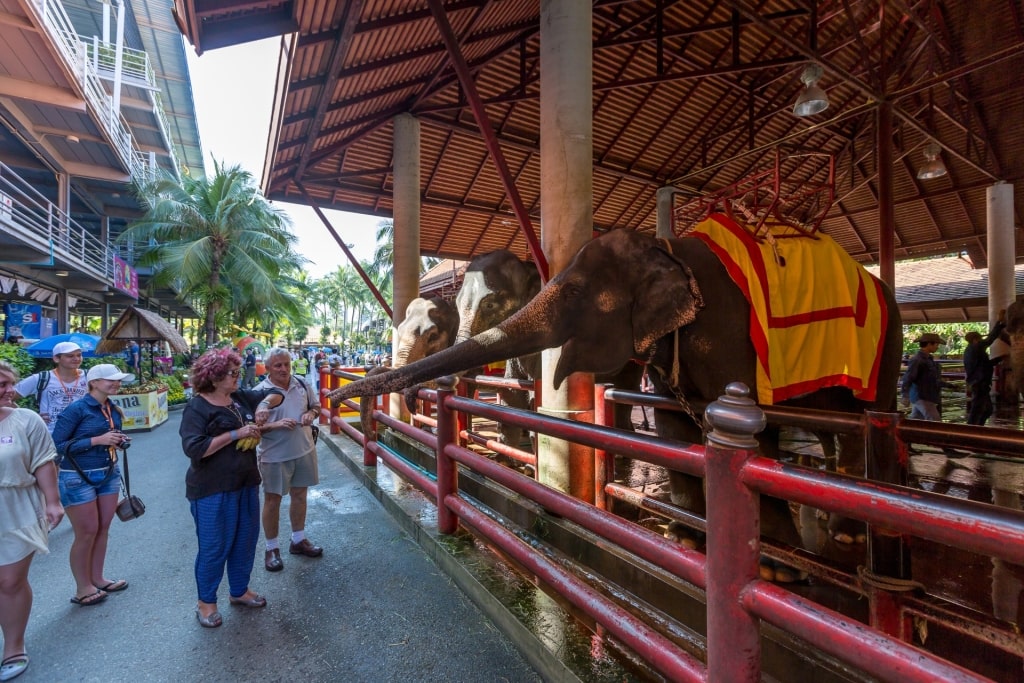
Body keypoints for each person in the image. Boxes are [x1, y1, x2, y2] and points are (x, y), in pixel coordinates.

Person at [179, 348, 283, 628]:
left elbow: (276, 393)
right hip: (212, 488)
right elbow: (195, 448)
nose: (238, 377)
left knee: (245, 541)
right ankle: (206, 602)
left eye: (238, 372)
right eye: (232, 373)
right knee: (214, 546)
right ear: (213, 378)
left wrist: (263, 406)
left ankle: (239, 590)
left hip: (246, 482)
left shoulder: (238, 398)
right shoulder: (197, 408)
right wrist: (235, 434)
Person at [51, 364, 135, 607]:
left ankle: (97, 578)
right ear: (94, 382)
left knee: (103, 528)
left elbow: (112, 434)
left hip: (108, 473)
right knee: (86, 532)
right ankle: (82, 588)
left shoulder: (112, 407)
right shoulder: (76, 410)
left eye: (118, 380)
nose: (116, 384)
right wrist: (97, 440)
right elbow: (57, 446)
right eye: (111, 380)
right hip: (78, 477)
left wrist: (118, 440)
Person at [0, 361, 62, 683]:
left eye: (11, 383)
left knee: (9, 581)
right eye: (2, 385)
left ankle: (13, 646)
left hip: (16, 506)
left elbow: (43, 461)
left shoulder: (26, 420)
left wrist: (53, 501)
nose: (11, 391)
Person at [254, 348, 323, 572]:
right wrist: (276, 424)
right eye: (278, 365)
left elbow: (317, 407)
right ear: (267, 368)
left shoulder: (301, 384)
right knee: (272, 500)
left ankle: (298, 539)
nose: (283, 369)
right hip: (274, 455)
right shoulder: (259, 393)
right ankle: (271, 548)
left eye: (286, 364)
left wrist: (310, 415)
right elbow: (252, 429)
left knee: (300, 495)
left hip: (304, 449)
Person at [14, 342, 88, 433]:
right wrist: (29, 418)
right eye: (70, 356)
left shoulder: (89, 377)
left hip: (81, 435)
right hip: (49, 435)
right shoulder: (41, 378)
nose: (76, 359)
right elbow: (6, 396)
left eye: (79, 355)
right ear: (56, 358)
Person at [964, 314, 1007, 426]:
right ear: (975, 340)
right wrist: (1000, 324)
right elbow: (990, 339)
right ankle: (971, 430)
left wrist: (999, 359)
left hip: (978, 383)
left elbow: (985, 365)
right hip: (979, 383)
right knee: (977, 408)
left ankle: (978, 428)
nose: (982, 341)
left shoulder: (970, 351)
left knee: (986, 410)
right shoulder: (976, 348)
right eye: (980, 339)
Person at [901, 332, 954, 421]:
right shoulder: (918, 360)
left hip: (922, 396)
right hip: (923, 396)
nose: (937, 347)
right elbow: (909, 378)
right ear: (929, 344)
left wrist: (948, 385)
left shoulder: (925, 359)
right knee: (935, 422)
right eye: (936, 344)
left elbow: (931, 379)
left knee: (916, 421)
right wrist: (905, 395)